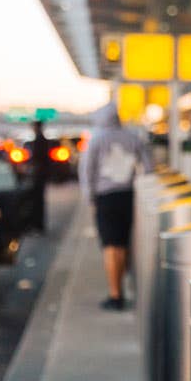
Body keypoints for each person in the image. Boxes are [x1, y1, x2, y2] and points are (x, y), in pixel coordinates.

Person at [79, 102, 153, 310]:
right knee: (123, 242)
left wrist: (90, 199)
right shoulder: (133, 137)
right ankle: (125, 280)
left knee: (111, 247)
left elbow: (87, 172)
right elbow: (149, 168)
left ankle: (115, 294)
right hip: (128, 195)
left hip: (105, 197)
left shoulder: (96, 140)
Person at [28, 121, 51, 233]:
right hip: (41, 174)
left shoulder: (39, 140)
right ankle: (38, 225)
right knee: (39, 200)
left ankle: (38, 226)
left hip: (39, 175)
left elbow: (37, 159)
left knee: (37, 201)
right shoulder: (42, 139)